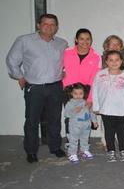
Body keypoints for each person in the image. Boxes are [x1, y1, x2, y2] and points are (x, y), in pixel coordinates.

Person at [6, 14, 68, 163]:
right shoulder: (25, 40)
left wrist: (65, 72)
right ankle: (31, 151)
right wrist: (20, 76)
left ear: (57, 27)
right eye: (45, 24)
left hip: (55, 86)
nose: (49, 27)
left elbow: (66, 61)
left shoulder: (62, 43)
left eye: (53, 24)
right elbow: (12, 60)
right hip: (35, 87)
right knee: (32, 120)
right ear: (38, 25)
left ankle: (55, 147)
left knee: (54, 119)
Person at [92, 50, 124, 162]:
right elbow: (95, 91)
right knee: (109, 132)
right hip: (106, 110)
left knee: (121, 132)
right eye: (111, 60)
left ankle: (123, 150)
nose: (114, 62)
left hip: (121, 111)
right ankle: (111, 151)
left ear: (121, 61)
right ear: (106, 61)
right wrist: (96, 107)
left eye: (117, 60)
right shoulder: (100, 74)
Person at [63, 28, 101, 105]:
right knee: (70, 117)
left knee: (83, 116)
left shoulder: (96, 56)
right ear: (76, 40)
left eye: (88, 39)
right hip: (68, 92)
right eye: (81, 39)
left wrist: (90, 98)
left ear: (91, 40)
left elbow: (95, 79)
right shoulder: (66, 53)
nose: (85, 42)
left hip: (85, 92)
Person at [64, 83, 98, 164]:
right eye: (75, 94)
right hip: (75, 126)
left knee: (85, 138)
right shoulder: (70, 103)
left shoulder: (86, 102)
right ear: (71, 94)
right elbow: (66, 114)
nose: (78, 96)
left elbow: (91, 112)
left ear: (84, 94)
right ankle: (72, 153)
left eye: (80, 94)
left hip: (86, 126)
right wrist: (74, 111)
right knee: (73, 140)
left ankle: (84, 150)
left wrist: (94, 121)